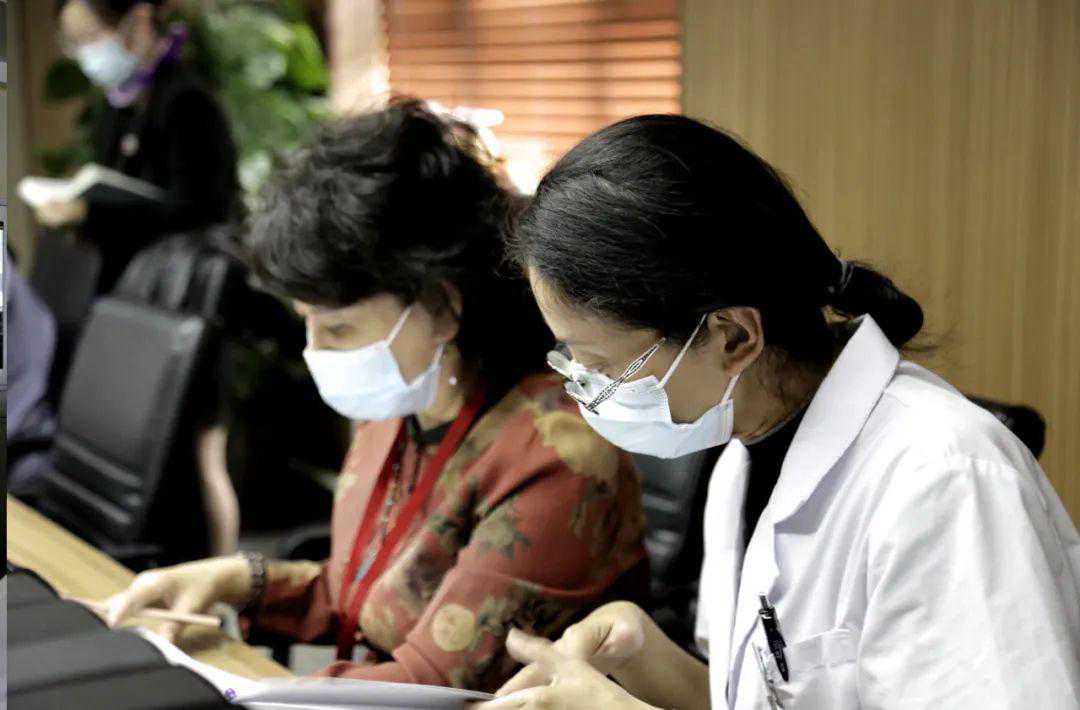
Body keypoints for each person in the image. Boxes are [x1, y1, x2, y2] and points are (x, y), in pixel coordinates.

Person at [478, 115, 1080, 709]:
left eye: (605, 366)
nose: (591, 395)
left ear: (734, 337)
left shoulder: (945, 478)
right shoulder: (741, 456)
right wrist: (648, 660)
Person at [104, 100, 648, 692]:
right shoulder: (404, 401)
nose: (316, 351)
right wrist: (238, 580)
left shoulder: (557, 459)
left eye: (339, 329)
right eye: (307, 322)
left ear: (442, 306)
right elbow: (367, 593)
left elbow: (423, 690)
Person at [43, 0, 238, 292]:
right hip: (128, 283)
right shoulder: (118, 103)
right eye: (75, 42)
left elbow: (198, 211)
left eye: (92, 36)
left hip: (172, 287)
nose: (87, 53)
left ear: (140, 21)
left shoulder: (186, 100)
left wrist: (90, 214)